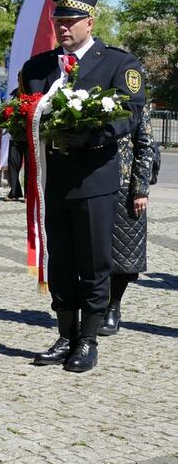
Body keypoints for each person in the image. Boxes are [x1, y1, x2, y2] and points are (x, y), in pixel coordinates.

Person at [23, 0, 145, 373]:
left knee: (94, 261)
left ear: (89, 22)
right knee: (60, 260)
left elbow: (130, 113)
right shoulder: (38, 68)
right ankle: (65, 333)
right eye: (58, 21)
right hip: (53, 178)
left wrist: (93, 134)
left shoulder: (116, 64)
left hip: (95, 177)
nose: (63, 27)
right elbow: (22, 111)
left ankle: (89, 339)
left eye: (70, 21)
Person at [101, 105, 153, 335]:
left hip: (125, 184)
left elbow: (145, 146)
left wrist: (141, 189)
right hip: (96, 182)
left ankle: (114, 307)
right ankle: (96, 305)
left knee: (124, 254)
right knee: (95, 249)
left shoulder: (137, 101)